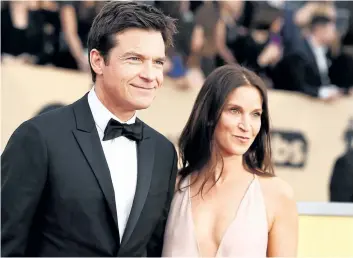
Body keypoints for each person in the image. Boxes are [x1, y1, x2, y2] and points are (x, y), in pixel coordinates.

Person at [1, 2, 177, 257]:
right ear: (97, 60)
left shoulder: (163, 153)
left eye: (158, 62)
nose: (151, 75)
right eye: (135, 59)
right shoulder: (39, 137)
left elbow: (153, 249)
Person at [162, 65, 298, 257]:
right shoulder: (174, 188)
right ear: (210, 115)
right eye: (234, 110)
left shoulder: (277, 195)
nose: (246, 125)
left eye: (255, 114)